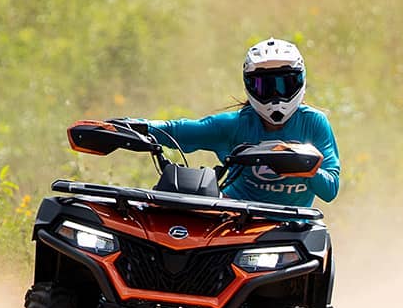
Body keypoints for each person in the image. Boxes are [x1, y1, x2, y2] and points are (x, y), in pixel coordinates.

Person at [136, 38, 340, 207]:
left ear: (300, 81)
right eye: (264, 87)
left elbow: (330, 189)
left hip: (291, 227)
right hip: (236, 223)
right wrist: (130, 127)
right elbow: (178, 131)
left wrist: (305, 166)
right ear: (249, 86)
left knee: (318, 248)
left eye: (284, 85)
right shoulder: (235, 124)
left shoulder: (314, 123)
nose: (275, 96)